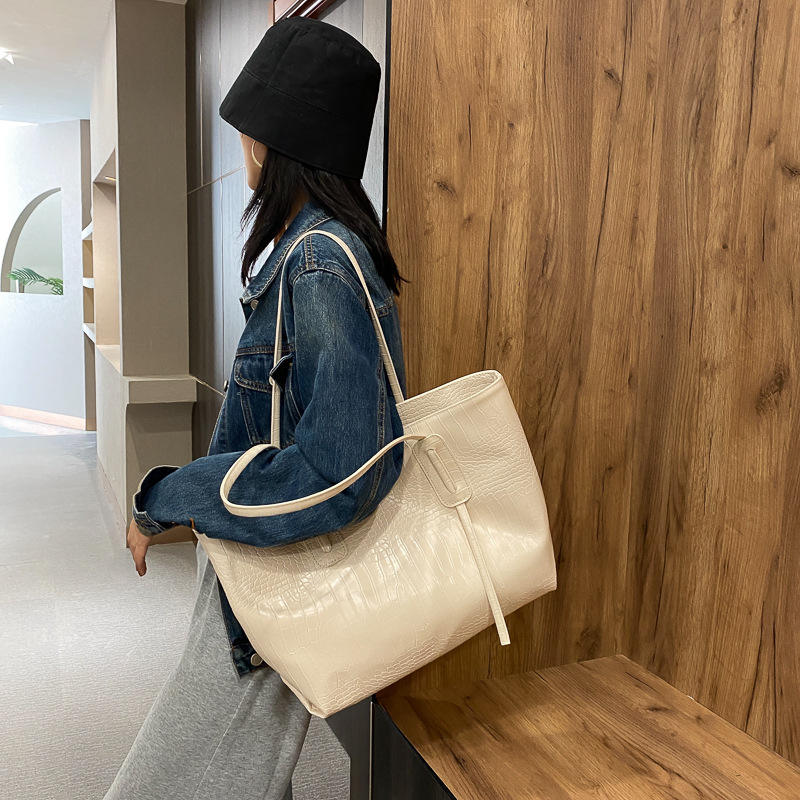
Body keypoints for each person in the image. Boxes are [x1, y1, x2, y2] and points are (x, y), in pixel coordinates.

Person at [104, 16, 408, 800]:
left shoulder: (318, 262)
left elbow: (340, 470)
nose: (242, 144)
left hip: (275, 583)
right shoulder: (320, 252)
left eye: (249, 130)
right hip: (259, 573)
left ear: (277, 142)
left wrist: (167, 496)